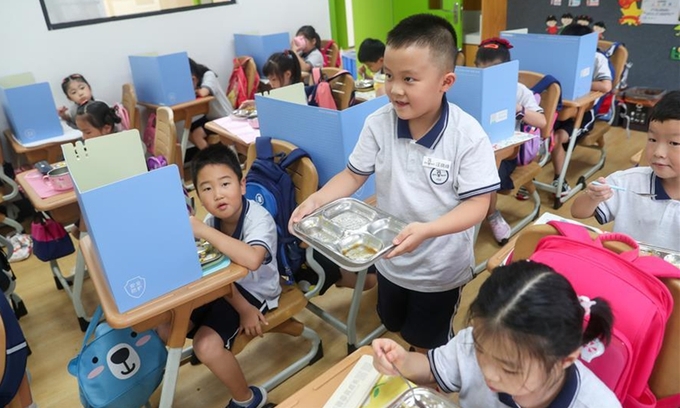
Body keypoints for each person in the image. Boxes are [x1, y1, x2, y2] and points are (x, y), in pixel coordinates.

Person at [290, 14, 500, 350]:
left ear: (445, 82)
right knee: (394, 322)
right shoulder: (379, 123)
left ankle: (431, 370)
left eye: (409, 79)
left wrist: (428, 230)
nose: (395, 89)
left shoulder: (467, 136)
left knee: (427, 340)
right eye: (388, 75)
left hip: (438, 271)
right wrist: (317, 200)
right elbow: (353, 175)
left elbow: (478, 205)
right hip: (389, 260)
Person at [372, 261, 621, 408]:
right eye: (480, 352)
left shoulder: (597, 404)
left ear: (565, 359)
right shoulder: (478, 340)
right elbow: (430, 369)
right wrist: (402, 362)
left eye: (509, 369)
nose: (488, 373)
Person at [158, 144, 280, 408]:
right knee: (166, 326)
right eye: (207, 188)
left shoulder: (258, 219)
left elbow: (252, 260)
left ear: (242, 184)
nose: (218, 195)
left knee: (206, 346)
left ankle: (248, 400)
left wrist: (246, 309)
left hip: (254, 292)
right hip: (222, 286)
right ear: (198, 196)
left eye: (225, 184)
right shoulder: (212, 221)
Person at [571, 90, 680, 251]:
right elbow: (577, 212)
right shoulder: (628, 181)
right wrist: (592, 197)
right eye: (652, 139)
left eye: (674, 143)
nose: (658, 152)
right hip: (625, 269)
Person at [474, 38, 547, 244]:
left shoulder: (519, 90)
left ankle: (492, 214)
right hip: (474, 147)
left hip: (505, 153)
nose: (488, 76)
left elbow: (541, 121)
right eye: (481, 70)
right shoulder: (473, 87)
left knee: (485, 176)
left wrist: (518, 109)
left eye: (494, 71)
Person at [550, 24, 612, 196]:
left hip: (583, 113)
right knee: (544, 136)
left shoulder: (597, 58)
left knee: (556, 138)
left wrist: (578, 82)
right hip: (561, 109)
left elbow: (606, 85)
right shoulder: (560, 57)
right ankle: (530, 177)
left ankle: (559, 180)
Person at [188, 58, 234, 150]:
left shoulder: (209, 75)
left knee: (197, 135)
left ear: (194, 78)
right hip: (211, 117)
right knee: (188, 129)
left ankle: (212, 159)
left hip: (224, 117)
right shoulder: (198, 81)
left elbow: (204, 92)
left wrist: (194, 89)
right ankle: (213, 155)